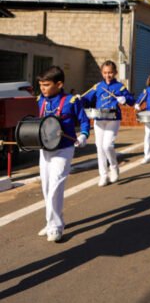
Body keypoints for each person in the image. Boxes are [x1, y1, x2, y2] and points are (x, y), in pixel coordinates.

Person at [36, 66, 90, 242]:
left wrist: (83, 136)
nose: (42, 88)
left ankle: (56, 227)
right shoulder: (40, 100)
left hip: (64, 149)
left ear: (59, 84)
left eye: (46, 85)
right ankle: (50, 221)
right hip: (45, 149)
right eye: (41, 85)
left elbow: (84, 121)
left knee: (55, 187)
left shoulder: (71, 101)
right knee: (46, 187)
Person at [82, 60, 135, 186]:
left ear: (115, 72)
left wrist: (125, 99)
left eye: (110, 72)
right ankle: (103, 175)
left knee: (107, 146)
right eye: (105, 72)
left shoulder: (119, 87)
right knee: (99, 148)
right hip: (99, 119)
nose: (108, 75)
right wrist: (79, 98)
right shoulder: (98, 86)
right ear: (102, 73)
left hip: (113, 119)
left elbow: (132, 100)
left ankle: (114, 167)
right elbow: (86, 98)